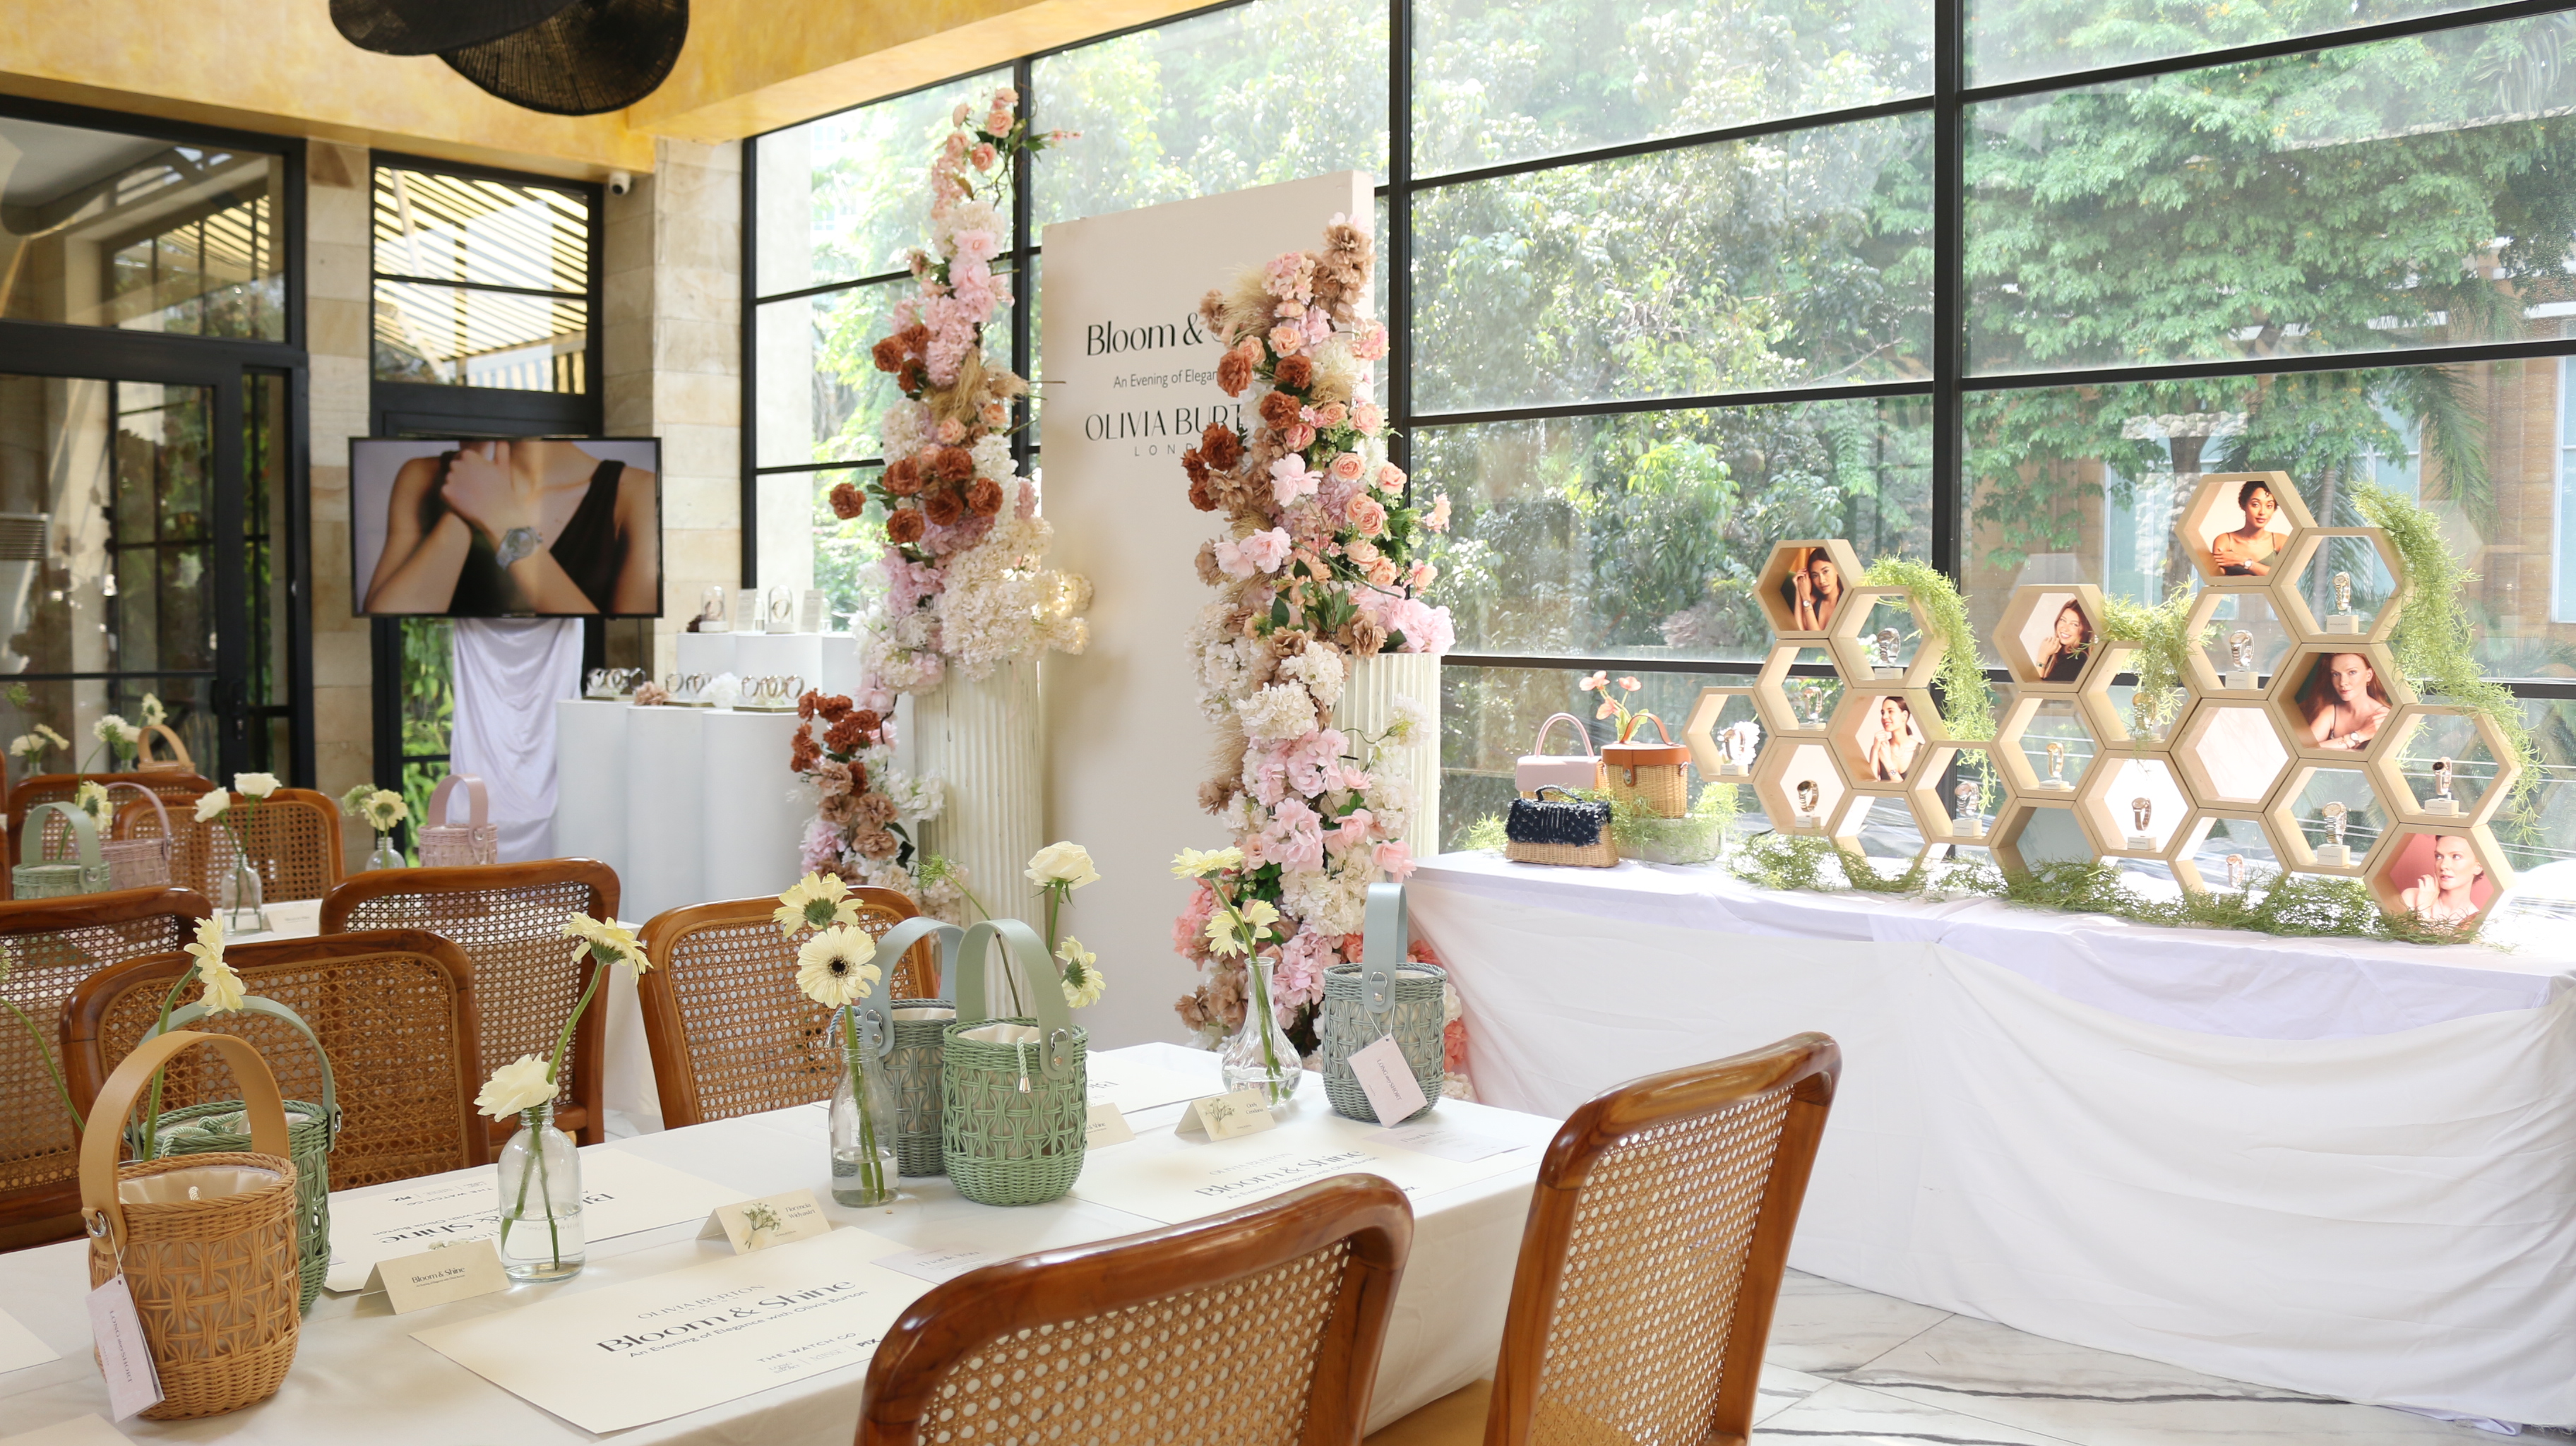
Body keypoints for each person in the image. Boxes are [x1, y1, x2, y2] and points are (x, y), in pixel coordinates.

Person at [362, 438, 660, 615]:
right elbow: (387, 621)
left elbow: (627, 643)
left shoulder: (637, 492)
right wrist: (462, 508)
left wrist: (502, 520)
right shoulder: (421, 475)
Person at [2298, 652, 2390, 750]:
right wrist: (2360, 735)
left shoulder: (2385, 717)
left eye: (2352, 672)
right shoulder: (2331, 712)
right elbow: (2305, 750)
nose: (2342, 682)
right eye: (2336, 674)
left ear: (2369, 675)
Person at [2401, 833, 2487, 926]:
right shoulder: (2412, 896)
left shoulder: (2476, 920)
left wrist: (2424, 910)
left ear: (2478, 867)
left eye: (2456, 857)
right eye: (2439, 856)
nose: (2443, 865)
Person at [2210, 477, 2284, 577]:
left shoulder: (2280, 541)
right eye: (2255, 504)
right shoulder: (2225, 540)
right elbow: (2217, 579)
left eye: (2269, 506)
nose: (2262, 512)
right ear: (2243, 505)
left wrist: (2243, 561)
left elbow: (2283, 577)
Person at [1861, 693, 1924, 781]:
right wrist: (1875, 750)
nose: (1884, 717)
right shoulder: (1879, 748)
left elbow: (1908, 788)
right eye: (1883, 713)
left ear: (1905, 715)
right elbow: (1871, 784)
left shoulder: (1921, 751)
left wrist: (1888, 764)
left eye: (1891, 711)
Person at [1782, 548, 1844, 631]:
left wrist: (1806, 598)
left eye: (1825, 571)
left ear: (1837, 569)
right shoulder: (1812, 601)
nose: (1822, 581)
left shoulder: (1846, 603)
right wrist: (1798, 589)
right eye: (1815, 575)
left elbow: (1817, 637)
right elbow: (1799, 632)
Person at [2034, 599, 2092, 682]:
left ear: (2085, 629)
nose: (2065, 628)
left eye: (2074, 624)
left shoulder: (2076, 660)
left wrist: (2042, 657)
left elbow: (2037, 688)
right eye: (2063, 620)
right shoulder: (2057, 652)